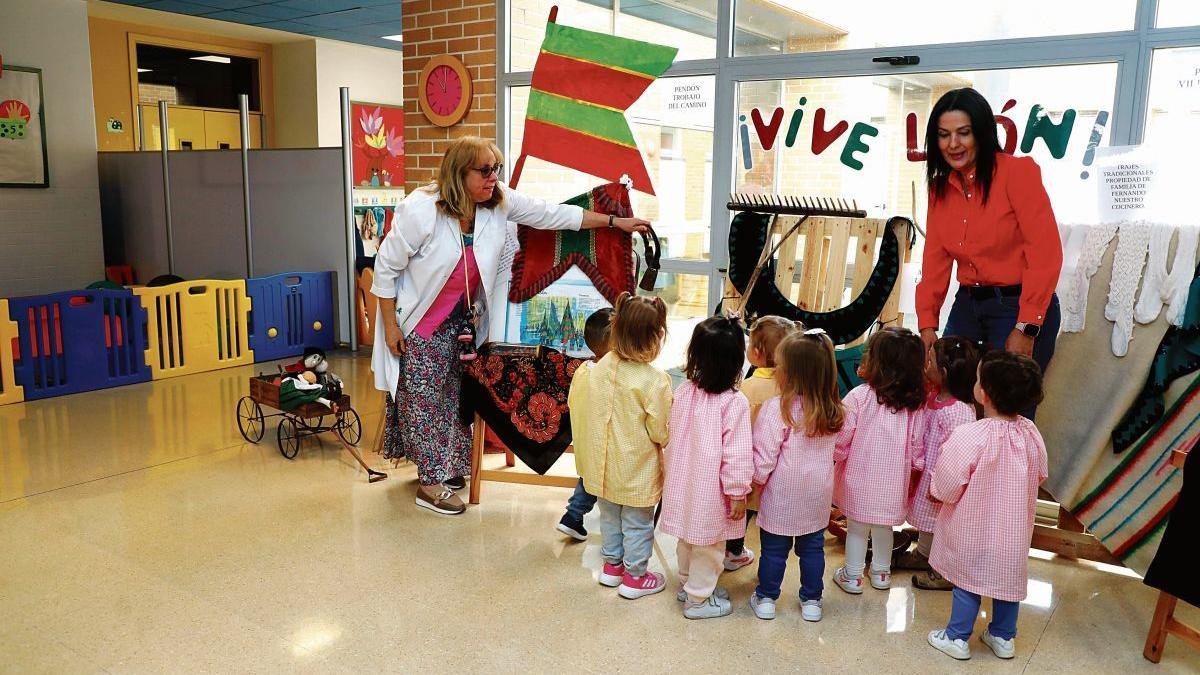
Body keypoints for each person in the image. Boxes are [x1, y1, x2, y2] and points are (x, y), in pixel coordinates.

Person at [371, 137, 650, 516]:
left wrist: (615, 221)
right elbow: (385, 270)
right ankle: (429, 483)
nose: (493, 177)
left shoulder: (497, 201)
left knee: (454, 396)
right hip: (418, 321)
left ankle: (446, 467)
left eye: (496, 168)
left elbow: (553, 214)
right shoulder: (421, 211)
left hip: (463, 321)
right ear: (459, 172)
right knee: (423, 397)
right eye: (484, 170)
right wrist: (389, 326)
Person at [916, 87, 1063, 376]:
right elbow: (934, 262)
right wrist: (926, 324)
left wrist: (1027, 326)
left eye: (964, 133)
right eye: (944, 135)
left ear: (981, 134)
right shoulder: (939, 189)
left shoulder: (1017, 173)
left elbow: (1045, 254)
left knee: (1005, 413)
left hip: (1017, 308)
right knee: (949, 404)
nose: (953, 144)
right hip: (967, 305)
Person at [926, 351, 1047, 661]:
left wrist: (939, 493)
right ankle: (1003, 636)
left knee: (967, 581)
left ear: (985, 394)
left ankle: (956, 637)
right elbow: (1041, 473)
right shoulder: (1030, 432)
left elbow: (949, 481)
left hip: (973, 527)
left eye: (978, 379)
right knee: (1007, 581)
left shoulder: (971, 435)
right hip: (1014, 531)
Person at [569, 293, 672, 599]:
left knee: (610, 519)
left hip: (601, 470)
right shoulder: (655, 381)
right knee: (638, 524)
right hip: (636, 471)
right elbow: (659, 431)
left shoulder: (596, 369)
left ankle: (612, 568)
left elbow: (581, 406)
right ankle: (636, 576)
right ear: (657, 337)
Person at [659, 316, 754, 620]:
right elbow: (736, 456)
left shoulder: (686, 390)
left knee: (687, 538)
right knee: (710, 546)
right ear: (737, 360)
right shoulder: (734, 403)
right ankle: (698, 600)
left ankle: (689, 586)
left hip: (682, 483)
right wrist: (738, 493)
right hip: (710, 491)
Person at [749, 329, 844, 622]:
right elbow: (838, 452)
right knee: (813, 550)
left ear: (788, 374)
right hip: (816, 497)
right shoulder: (836, 411)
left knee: (774, 552)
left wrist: (753, 483)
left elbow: (764, 458)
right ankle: (812, 601)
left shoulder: (777, 410)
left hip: (781, 496)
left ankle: (766, 598)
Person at [832, 327, 927, 594]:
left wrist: (835, 457)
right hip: (894, 483)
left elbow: (842, 438)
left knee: (857, 528)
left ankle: (852, 575)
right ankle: (881, 573)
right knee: (885, 527)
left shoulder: (860, 397)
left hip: (859, 481)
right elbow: (917, 445)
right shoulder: (915, 405)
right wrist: (915, 471)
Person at [897, 336, 980, 590]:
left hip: (942, 479)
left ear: (943, 373)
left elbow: (958, 455)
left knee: (943, 523)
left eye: (930, 360)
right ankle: (924, 554)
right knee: (928, 520)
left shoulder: (959, 411)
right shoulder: (934, 396)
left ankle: (945, 570)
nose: (925, 364)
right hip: (928, 475)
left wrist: (942, 484)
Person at [724, 316, 800, 572]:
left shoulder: (746, 387)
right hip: (779, 468)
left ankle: (733, 551)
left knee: (740, 511)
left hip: (746, 464)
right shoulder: (792, 387)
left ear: (756, 353)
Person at [556, 307, 614, 540]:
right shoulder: (609, 374)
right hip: (605, 442)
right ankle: (611, 525)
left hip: (585, 439)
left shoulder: (583, 369)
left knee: (587, 479)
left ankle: (572, 517)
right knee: (599, 481)